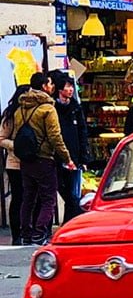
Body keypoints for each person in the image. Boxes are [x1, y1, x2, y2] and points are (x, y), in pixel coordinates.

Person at [14, 73, 75, 246]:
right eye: (49, 84)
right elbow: (55, 137)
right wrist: (67, 158)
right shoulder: (47, 109)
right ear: (43, 87)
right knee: (49, 198)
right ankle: (39, 233)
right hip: (44, 158)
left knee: (28, 197)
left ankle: (26, 233)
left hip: (26, 159)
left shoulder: (21, 108)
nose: (52, 86)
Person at [52, 72, 88, 222]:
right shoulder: (52, 108)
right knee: (64, 192)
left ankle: (69, 224)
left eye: (71, 86)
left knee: (73, 195)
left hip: (74, 157)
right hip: (56, 158)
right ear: (60, 89)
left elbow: (82, 132)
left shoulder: (76, 108)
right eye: (68, 87)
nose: (71, 90)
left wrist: (84, 157)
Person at [0, 85, 30, 244]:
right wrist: (16, 146)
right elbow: (1, 138)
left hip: (31, 162)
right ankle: (16, 234)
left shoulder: (32, 113)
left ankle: (26, 231)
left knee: (29, 197)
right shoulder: (10, 114)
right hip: (14, 162)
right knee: (18, 197)